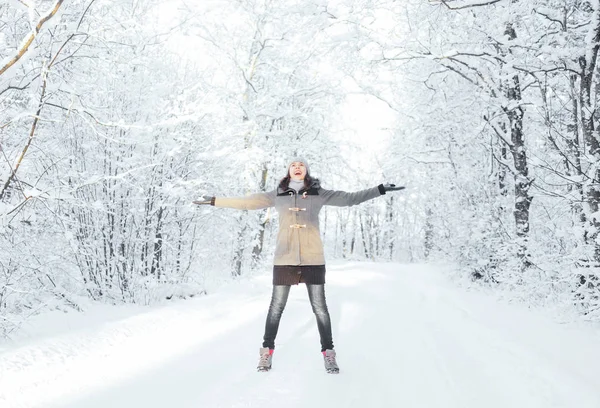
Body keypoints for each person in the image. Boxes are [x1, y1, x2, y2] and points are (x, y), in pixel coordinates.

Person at [193, 158, 404, 373]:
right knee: (276, 308)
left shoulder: (319, 193)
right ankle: (266, 352)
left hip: (313, 258)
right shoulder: (277, 194)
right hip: (284, 258)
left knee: (320, 308)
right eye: (293, 165)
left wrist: (379, 190)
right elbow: (247, 202)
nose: (297, 167)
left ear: (306, 171)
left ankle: (329, 354)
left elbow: (350, 199)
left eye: (301, 165)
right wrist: (214, 201)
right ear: (288, 171)